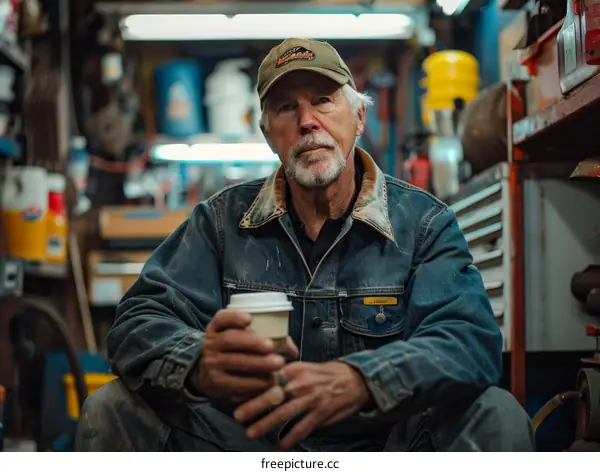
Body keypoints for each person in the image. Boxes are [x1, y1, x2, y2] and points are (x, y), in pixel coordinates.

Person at [75, 38, 535, 452]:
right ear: (268, 133)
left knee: (497, 415)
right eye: (284, 108)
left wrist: (363, 380)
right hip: (251, 446)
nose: (307, 121)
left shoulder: (423, 224)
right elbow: (137, 322)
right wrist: (196, 361)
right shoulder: (218, 223)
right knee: (112, 408)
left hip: (384, 446)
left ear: (359, 117)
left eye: (323, 101)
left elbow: (469, 341)